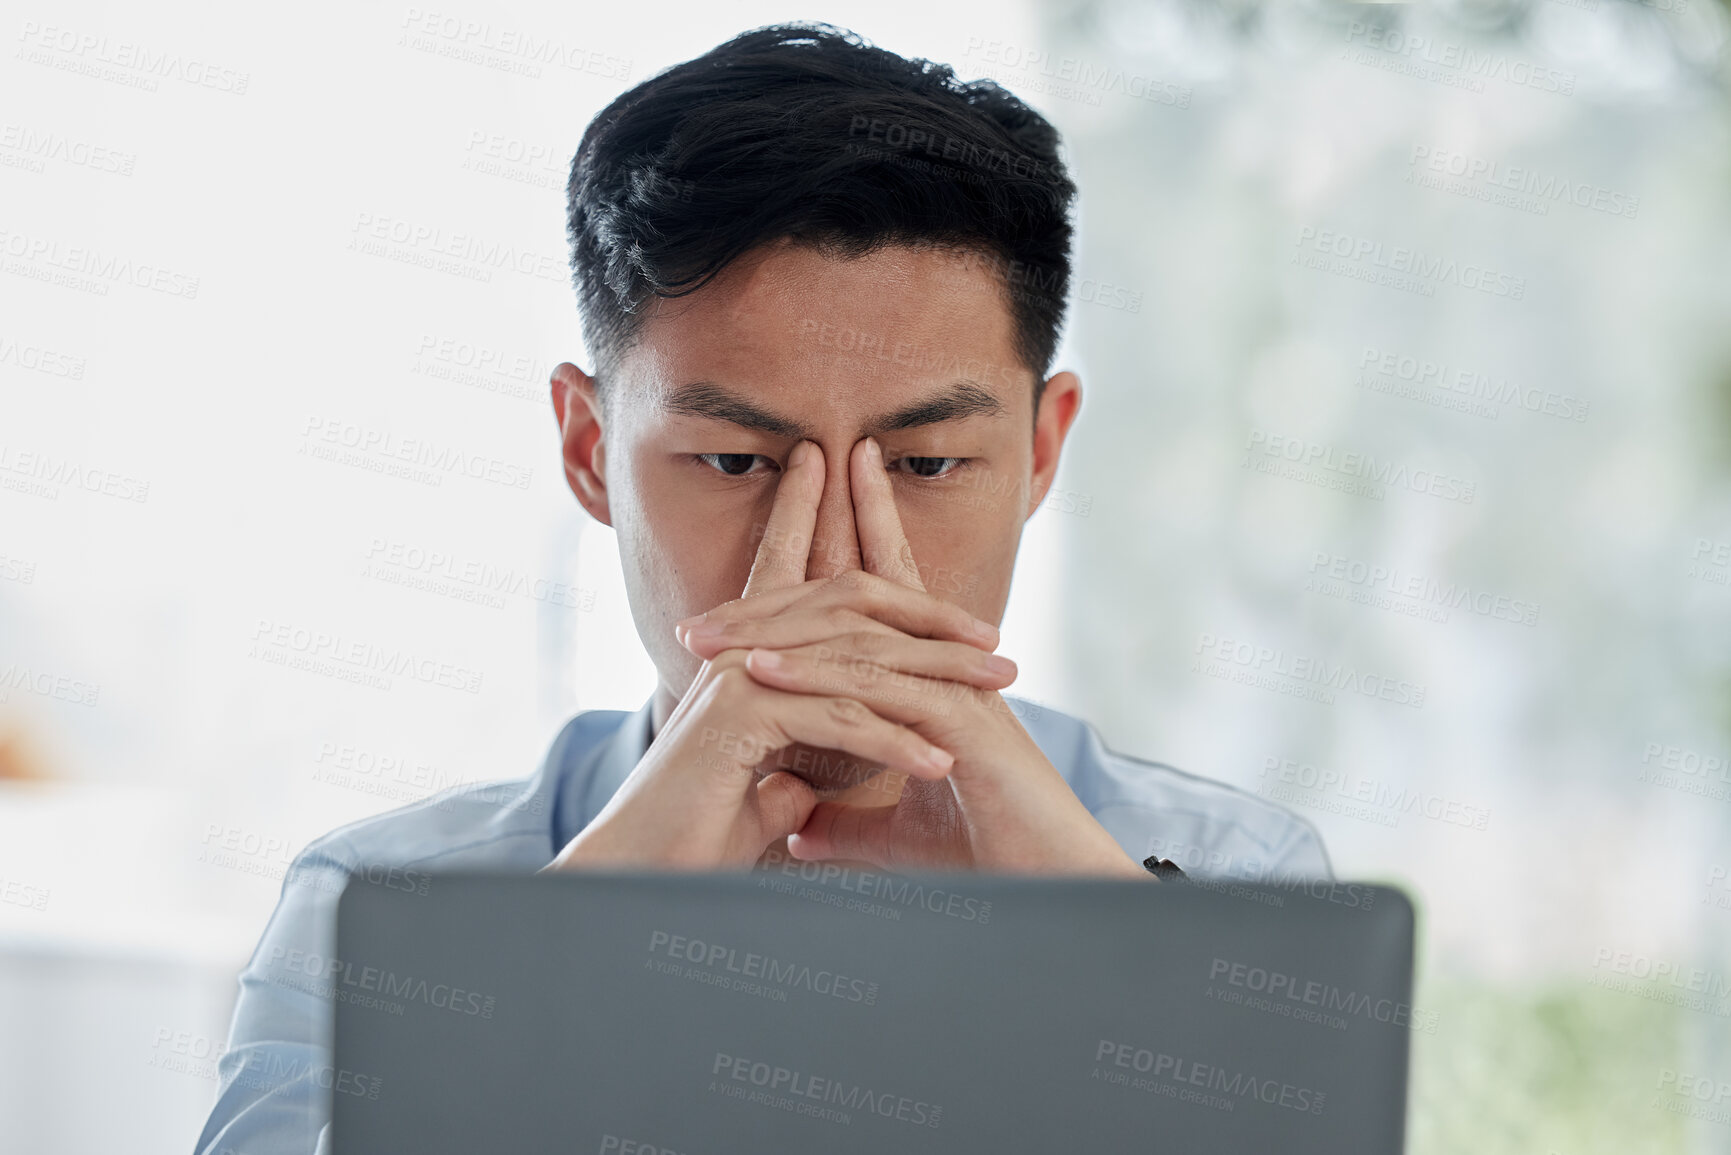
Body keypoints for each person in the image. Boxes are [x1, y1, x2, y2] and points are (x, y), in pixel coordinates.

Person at [196, 23, 1329, 1153]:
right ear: (591, 451)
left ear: (1041, 454)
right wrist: (576, 940)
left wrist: (1110, 956)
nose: (837, 561)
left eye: (927, 465)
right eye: (738, 463)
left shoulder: (1229, 887)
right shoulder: (382, 913)